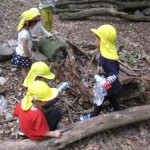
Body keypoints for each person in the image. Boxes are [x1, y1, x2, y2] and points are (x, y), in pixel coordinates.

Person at [80, 24, 122, 120]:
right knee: (112, 97)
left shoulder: (109, 60)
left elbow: (114, 73)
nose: (95, 41)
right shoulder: (103, 54)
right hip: (107, 86)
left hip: (107, 86)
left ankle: (92, 116)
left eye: (97, 38)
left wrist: (107, 81)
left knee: (99, 101)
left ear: (103, 42)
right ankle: (116, 108)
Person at [12, 10, 38, 78]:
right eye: (33, 24)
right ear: (27, 23)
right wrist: (30, 56)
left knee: (26, 67)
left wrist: (32, 36)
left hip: (23, 53)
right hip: (23, 54)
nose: (34, 26)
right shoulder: (25, 33)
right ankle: (26, 80)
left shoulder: (24, 29)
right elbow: (25, 47)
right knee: (24, 68)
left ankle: (28, 77)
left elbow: (23, 38)